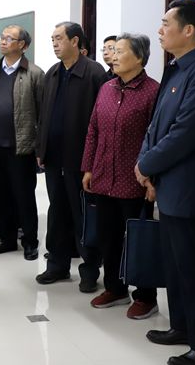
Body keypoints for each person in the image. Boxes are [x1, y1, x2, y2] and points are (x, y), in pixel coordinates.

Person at [136, 0, 195, 365]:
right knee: (176, 266)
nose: (159, 30)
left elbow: (185, 132)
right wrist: (146, 162)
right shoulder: (177, 67)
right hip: (169, 182)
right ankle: (183, 327)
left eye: (165, 24)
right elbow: (157, 124)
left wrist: (146, 164)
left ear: (188, 30)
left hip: (190, 187)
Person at [81, 33, 160, 319]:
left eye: (120, 51)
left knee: (139, 240)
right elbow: (93, 129)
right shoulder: (107, 88)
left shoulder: (153, 91)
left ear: (139, 57)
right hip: (104, 176)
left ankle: (146, 296)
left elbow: (156, 137)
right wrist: (89, 167)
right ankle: (115, 288)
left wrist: (152, 178)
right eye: (112, 51)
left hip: (135, 180)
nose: (113, 56)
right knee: (108, 237)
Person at [34, 22, 106, 292]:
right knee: (57, 211)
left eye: (59, 38)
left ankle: (89, 270)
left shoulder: (94, 73)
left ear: (75, 41)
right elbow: (44, 116)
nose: (54, 43)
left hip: (81, 159)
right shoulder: (53, 73)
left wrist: (93, 161)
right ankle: (57, 265)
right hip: (54, 157)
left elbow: (101, 121)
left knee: (82, 215)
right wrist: (41, 150)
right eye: (52, 39)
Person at [0, 24, 44, 261]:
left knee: (23, 196)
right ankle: (7, 239)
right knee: (0, 195)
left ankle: (30, 241)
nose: (3, 41)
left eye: (9, 38)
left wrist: (39, 147)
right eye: (2, 37)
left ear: (22, 45)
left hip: (21, 146)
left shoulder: (34, 73)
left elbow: (42, 113)